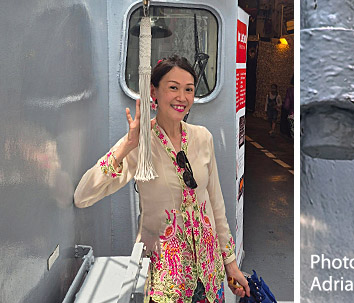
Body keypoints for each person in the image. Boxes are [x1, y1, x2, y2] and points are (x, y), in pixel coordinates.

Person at [74, 55, 250, 303]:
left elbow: (216, 206)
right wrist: (127, 145)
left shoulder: (203, 137)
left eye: (189, 89)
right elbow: (83, 196)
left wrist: (230, 265)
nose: (182, 97)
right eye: (173, 88)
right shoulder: (141, 144)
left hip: (209, 276)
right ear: (153, 92)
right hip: (166, 282)